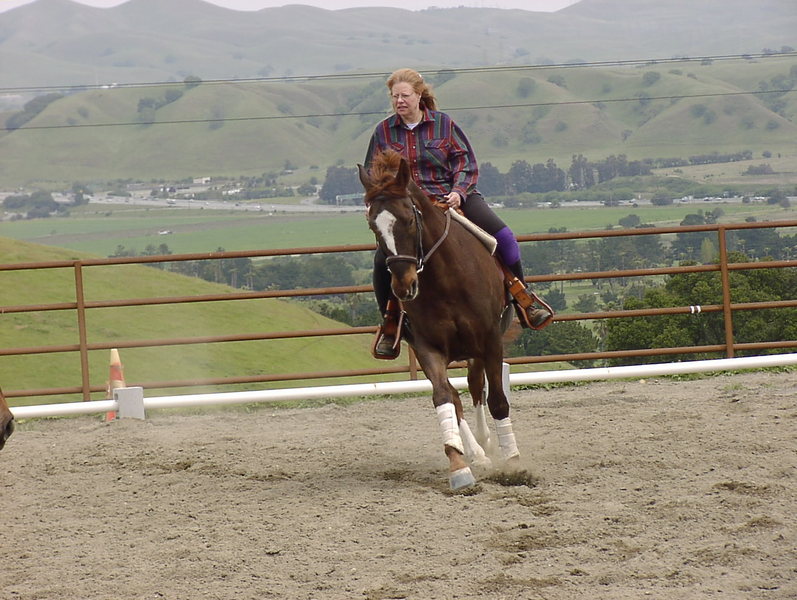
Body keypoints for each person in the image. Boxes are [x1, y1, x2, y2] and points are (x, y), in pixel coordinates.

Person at [364, 68, 552, 359]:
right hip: (406, 208)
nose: (399, 101)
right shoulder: (383, 131)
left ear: (419, 95)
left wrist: (458, 192)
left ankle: (522, 298)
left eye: (405, 95)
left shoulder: (444, 124)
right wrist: (377, 200)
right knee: (382, 261)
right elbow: (373, 173)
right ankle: (390, 323)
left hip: (450, 198)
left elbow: (465, 163)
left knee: (505, 237)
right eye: (395, 96)